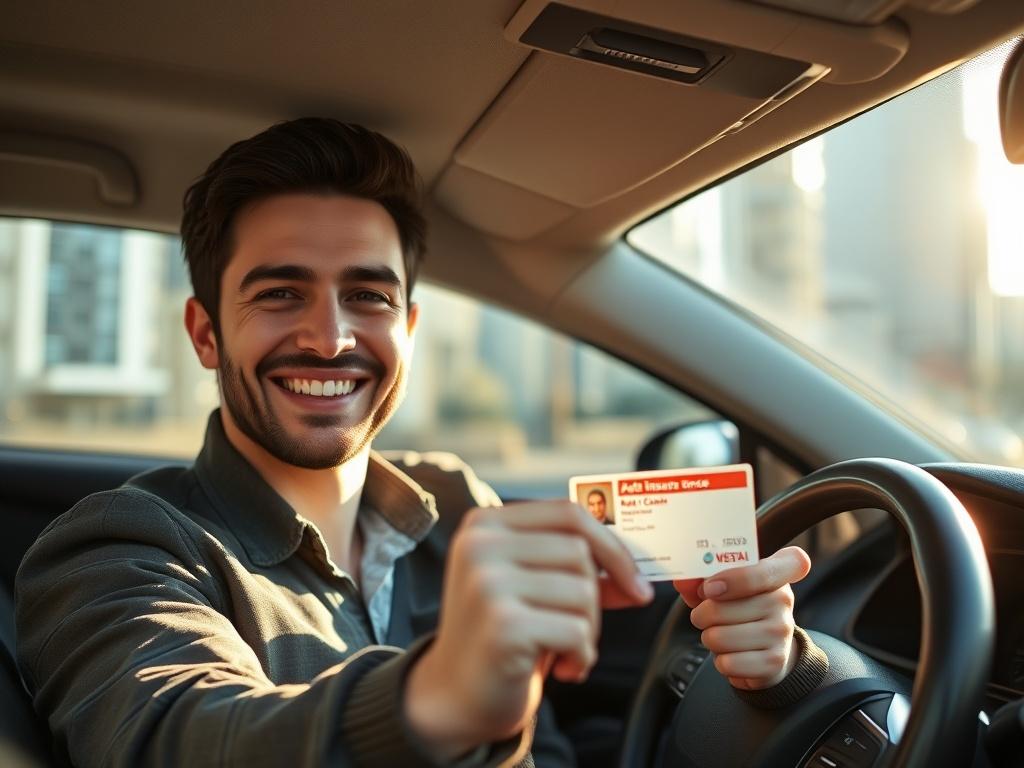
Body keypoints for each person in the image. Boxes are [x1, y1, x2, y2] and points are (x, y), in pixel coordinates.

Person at [15, 118, 822, 767]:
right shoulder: (115, 548)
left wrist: (774, 678)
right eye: (280, 292)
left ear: (407, 325)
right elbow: (179, 735)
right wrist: (432, 697)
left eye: (367, 294)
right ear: (205, 333)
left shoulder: (462, 508)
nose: (330, 339)